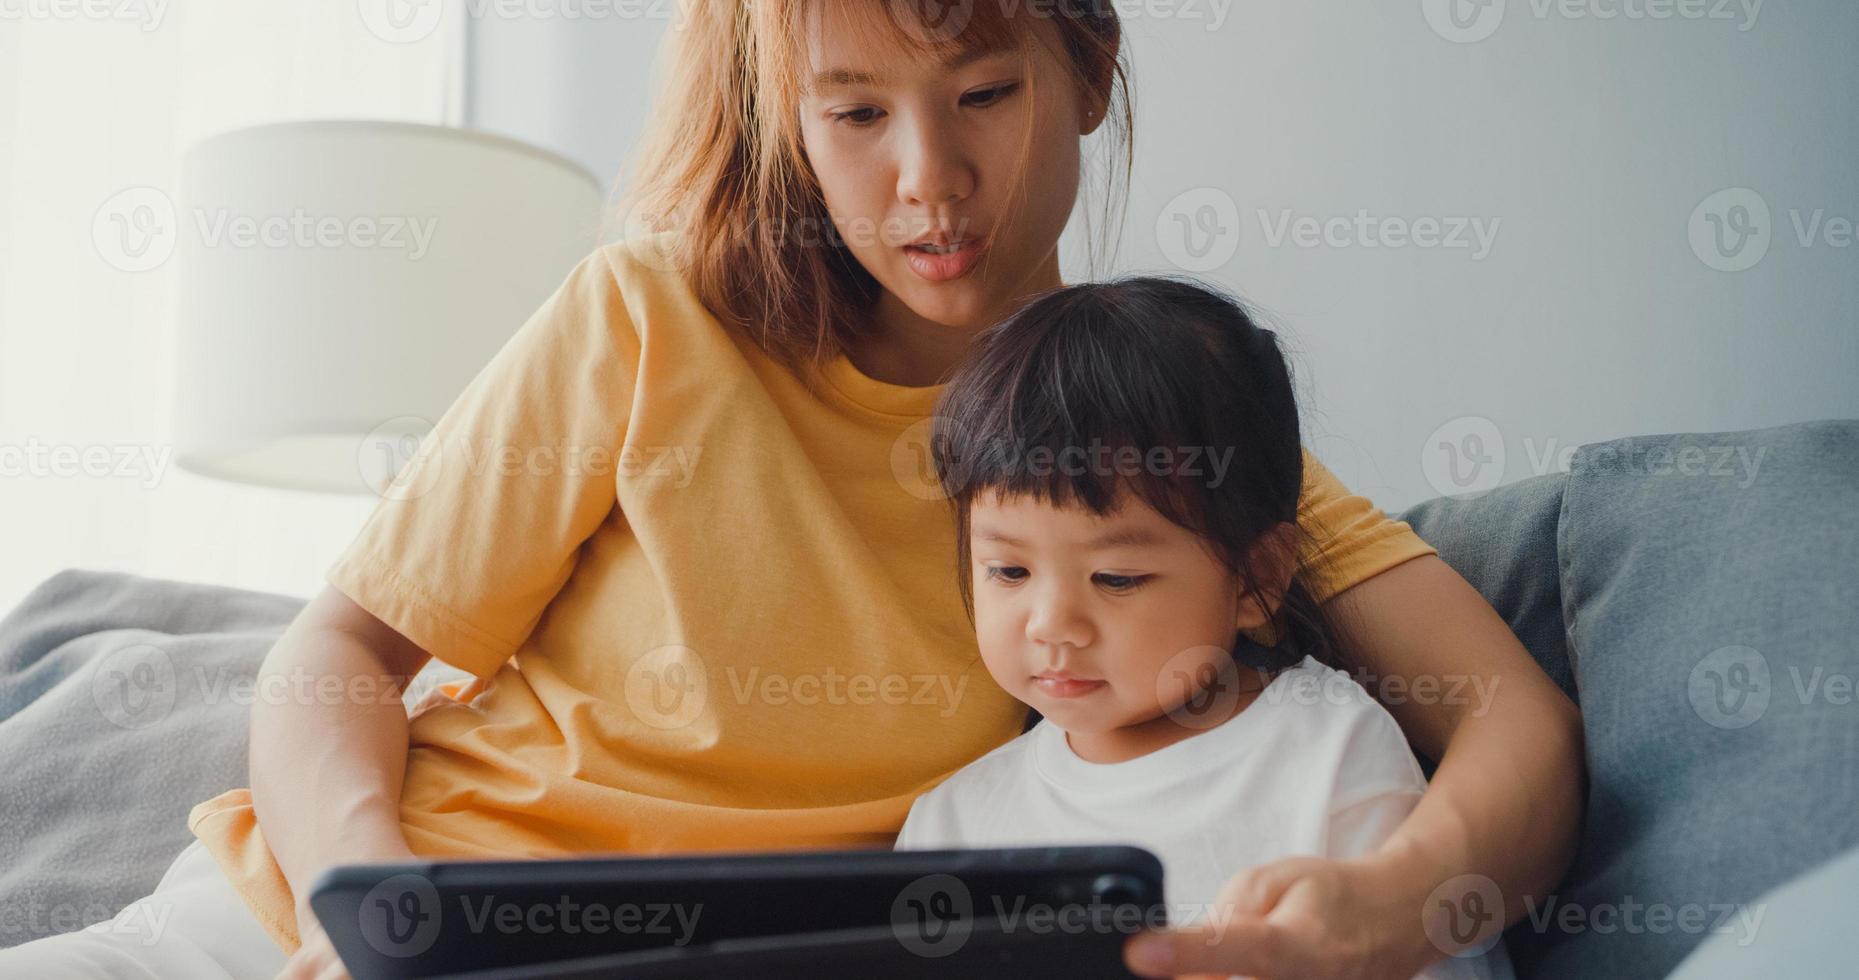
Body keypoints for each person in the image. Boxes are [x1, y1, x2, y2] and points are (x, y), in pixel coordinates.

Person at [0, 3, 1582, 978]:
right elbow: (335, 656)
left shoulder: (1151, 442)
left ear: (1084, 70)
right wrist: (368, 898)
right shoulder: (645, 318)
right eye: (853, 114)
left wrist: (1394, 909)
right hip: (306, 929)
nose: (926, 182)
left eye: (981, 93)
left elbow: (1505, 715)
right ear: (788, 116)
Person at [892, 276, 1514, 979]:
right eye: (1008, 572)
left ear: (1256, 578)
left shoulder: (1325, 750)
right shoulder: (953, 828)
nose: (1050, 625)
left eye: (1116, 578)